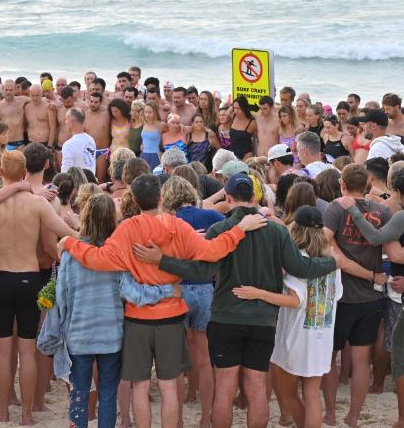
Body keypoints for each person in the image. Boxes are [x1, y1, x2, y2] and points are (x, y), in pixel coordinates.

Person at [59, 173, 267, 428]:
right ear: (160, 197)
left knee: (140, 386)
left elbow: (98, 258)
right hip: (170, 317)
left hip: (137, 319)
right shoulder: (176, 226)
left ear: (133, 199)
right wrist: (239, 230)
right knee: (169, 387)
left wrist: (70, 241)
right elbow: (212, 251)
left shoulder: (128, 229)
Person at [133, 172, 337, 428]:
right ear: (255, 197)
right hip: (263, 320)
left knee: (225, 390)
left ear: (228, 198)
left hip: (226, 317)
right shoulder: (276, 230)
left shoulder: (220, 229)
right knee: (256, 388)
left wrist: (161, 260)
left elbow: (200, 272)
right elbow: (300, 268)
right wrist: (331, 262)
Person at [0, 150, 76, 425]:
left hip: (1, 279)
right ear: (25, 174)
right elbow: (66, 232)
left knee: (3, 349)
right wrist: (85, 230)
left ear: (0, 173)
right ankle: (25, 415)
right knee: (27, 349)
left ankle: (2, 412)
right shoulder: (37, 204)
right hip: (29, 279)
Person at [58, 193, 180, 428]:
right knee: (107, 392)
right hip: (111, 335)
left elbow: (62, 297)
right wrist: (166, 291)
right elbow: (133, 293)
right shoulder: (119, 255)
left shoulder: (71, 255)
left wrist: (63, 328)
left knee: (79, 391)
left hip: (79, 334)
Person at [236, 205, 341, 428]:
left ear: (297, 230)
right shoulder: (331, 260)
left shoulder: (298, 259)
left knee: (286, 390)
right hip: (322, 332)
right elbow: (336, 295)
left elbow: (295, 300)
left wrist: (260, 294)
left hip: (296, 335)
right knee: (312, 394)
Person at [322, 163, 391, 427]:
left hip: (341, 296)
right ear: (368, 184)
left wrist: (338, 247)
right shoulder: (382, 210)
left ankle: (330, 412)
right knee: (361, 361)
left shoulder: (336, 207)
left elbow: (324, 241)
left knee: (330, 357)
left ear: (343, 185)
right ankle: (352, 416)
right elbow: (390, 246)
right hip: (371, 297)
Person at [160, 175, 224, 428]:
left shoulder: (168, 221)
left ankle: (176, 421)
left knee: (176, 360)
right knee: (204, 358)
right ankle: (206, 418)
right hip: (205, 287)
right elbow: (233, 227)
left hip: (178, 289)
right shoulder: (208, 216)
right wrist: (207, 237)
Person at [0, 80, 29, 150]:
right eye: (6, 90)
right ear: (3, 89)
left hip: (19, 143)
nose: (8, 92)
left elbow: (38, 99)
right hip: (4, 143)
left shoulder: (22, 101)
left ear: (15, 90)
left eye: (11, 90)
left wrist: (51, 102)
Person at [83, 91, 112, 182]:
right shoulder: (84, 114)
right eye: (91, 101)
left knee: (101, 179)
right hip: (88, 151)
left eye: (96, 102)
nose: (93, 104)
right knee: (87, 179)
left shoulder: (107, 113)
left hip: (102, 151)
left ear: (101, 102)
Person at [61, 107, 96, 174]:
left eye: (66, 119)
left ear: (73, 121)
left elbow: (65, 173)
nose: (65, 122)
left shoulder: (69, 144)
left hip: (77, 183)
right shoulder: (91, 140)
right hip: (91, 183)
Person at [140, 102, 163, 169]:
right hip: (143, 155)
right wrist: (142, 144)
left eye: (150, 112)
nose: (147, 115)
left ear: (155, 112)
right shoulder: (144, 123)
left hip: (155, 155)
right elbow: (144, 138)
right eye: (146, 112)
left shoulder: (160, 125)